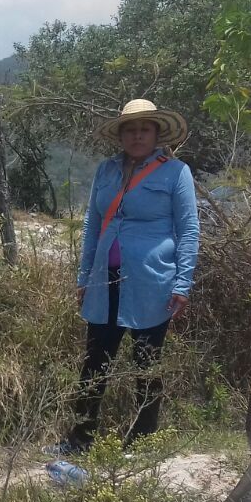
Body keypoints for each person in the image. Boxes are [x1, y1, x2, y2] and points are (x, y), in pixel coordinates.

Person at [46, 99, 200, 456]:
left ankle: (143, 442)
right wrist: (84, 276)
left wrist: (183, 283)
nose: (137, 135)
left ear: (157, 133)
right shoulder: (106, 170)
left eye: (145, 128)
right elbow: (93, 225)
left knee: (147, 362)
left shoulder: (176, 172)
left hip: (152, 282)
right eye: (130, 129)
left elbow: (189, 230)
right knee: (94, 362)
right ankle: (80, 439)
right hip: (104, 280)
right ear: (120, 135)